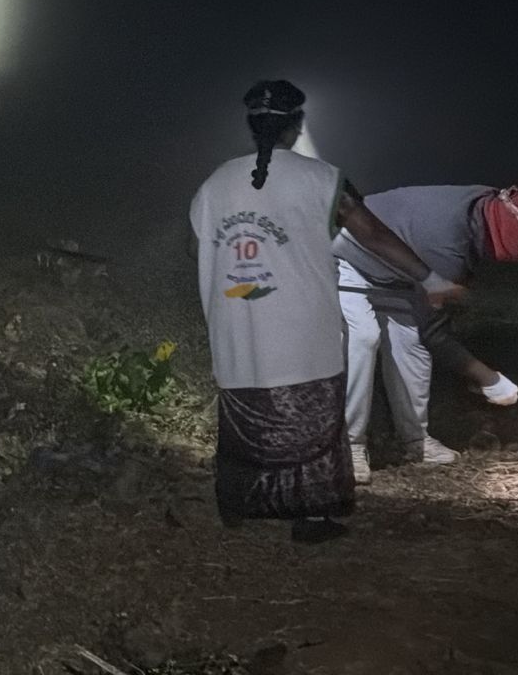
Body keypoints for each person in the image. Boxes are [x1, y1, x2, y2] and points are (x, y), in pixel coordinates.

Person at [189, 80, 461, 542]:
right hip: (303, 337)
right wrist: (430, 279)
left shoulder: (213, 184)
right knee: (308, 427)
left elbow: (201, 249)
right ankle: (311, 518)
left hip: (237, 335)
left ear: (251, 125)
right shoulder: (322, 178)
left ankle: (242, 504)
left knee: (247, 420)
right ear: (296, 126)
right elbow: (373, 234)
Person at [334, 184, 518, 483]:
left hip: (395, 274)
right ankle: (349, 447)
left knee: (411, 346)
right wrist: (489, 378)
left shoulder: (484, 207)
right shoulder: (449, 241)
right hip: (347, 257)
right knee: (364, 337)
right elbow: (434, 332)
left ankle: (416, 442)